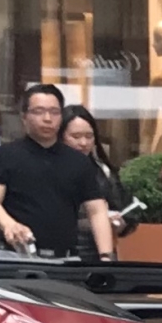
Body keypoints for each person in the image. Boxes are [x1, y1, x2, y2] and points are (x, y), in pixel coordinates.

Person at [0, 83, 115, 260]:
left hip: (66, 259)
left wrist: (106, 256)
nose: (47, 118)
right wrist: (9, 224)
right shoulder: (4, 155)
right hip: (16, 255)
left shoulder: (79, 161)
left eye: (54, 112)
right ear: (24, 116)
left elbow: (97, 210)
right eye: (38, 111)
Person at [62, 103, 144, 262]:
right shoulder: (48, 170)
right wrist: (89, 223)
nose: (84, 143)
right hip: (63, 254)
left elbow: (126, 210)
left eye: (89, 136)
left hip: (99, 254)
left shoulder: (103, 171)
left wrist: (121, 223)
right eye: (76, 137)